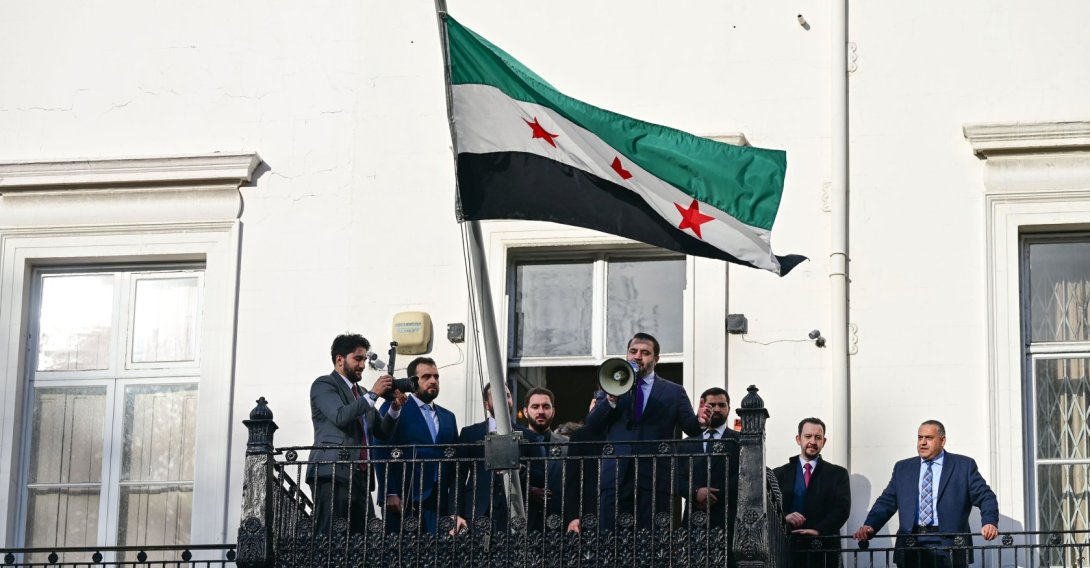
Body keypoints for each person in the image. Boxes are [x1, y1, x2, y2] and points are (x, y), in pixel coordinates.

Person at [579, 332, 709, 531]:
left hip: (655, 479)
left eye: (645, 352)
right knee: (611, 545)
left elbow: (691, 428)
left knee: (651, 545)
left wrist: (701, 421)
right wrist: (611, 400)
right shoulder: (609, 386)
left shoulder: (674, 392)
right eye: (633, 351)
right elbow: (592, 427)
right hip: (615, 477)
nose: (638, 356)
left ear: (656, 359)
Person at [853, 420, 999, 568]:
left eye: (929, 438)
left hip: (950, 543)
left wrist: (989, 521)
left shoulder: (963, 466)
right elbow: (887, 501)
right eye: (920, 437)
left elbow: (986, 496)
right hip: (911, 543)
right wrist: (870, 525)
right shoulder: (903, 468)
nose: (922, 443)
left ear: (943, 441)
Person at [306, 333, 401, 535]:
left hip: (361, 477)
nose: (362, 365)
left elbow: (382, 432)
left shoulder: (362, 392)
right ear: (340, 359)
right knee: (330, 537)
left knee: (363, 543)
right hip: (333, 472)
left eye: (365, 359)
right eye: (357, 359)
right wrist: (374, 394)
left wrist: (394, 408)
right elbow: (340, 416)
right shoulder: (324, 384)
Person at [373, 356, 466, 534]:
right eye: (426, 377)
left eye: (436, 377)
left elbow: (455, 462)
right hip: (404, 497)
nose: (433, 381)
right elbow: (380, 450)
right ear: (412, 381)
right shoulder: (395, 407)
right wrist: (389, 492)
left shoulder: (448, 417)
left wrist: (454, 507)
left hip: (439, 501)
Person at [457, 384, 542, 532]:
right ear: (486, 404)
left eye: (507, 396)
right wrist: (455, 513)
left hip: (515, 513)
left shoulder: (528, 436)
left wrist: (520, 468)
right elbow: (458, 476)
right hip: (478, 511)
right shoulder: (470, 433)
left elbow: (540, 475)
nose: (504, 400)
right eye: (497, 396)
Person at [773, 418, 851, 567]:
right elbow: (769, 509)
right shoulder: (779, 474)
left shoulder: (838, 474)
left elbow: (842, 509)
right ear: (798, 439)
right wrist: (785, 517)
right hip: (786, 550)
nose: (813, 442)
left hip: (823, 550)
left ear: (824, 441)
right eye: (808, 436)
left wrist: (818, 530)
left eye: (818, 437)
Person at [676, 387, 740, 532]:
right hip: (694, 521)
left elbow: (746, 477)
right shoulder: (685, 444)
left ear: (729, 409)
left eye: (722, 405)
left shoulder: (740, 442)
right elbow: (675, 479)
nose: (717, 409)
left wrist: (714, 496)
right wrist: (696, 492)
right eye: (712, 405)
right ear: (703, 407)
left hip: (729, 520)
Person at [523, 387, 568, 531]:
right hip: (522, 522)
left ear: (553, 411)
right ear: (525, 411)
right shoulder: (514, 444)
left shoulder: (568, 444)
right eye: (535, 407)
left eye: (546, 406)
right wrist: (527, 490)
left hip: (560, 524)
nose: (541, 411)